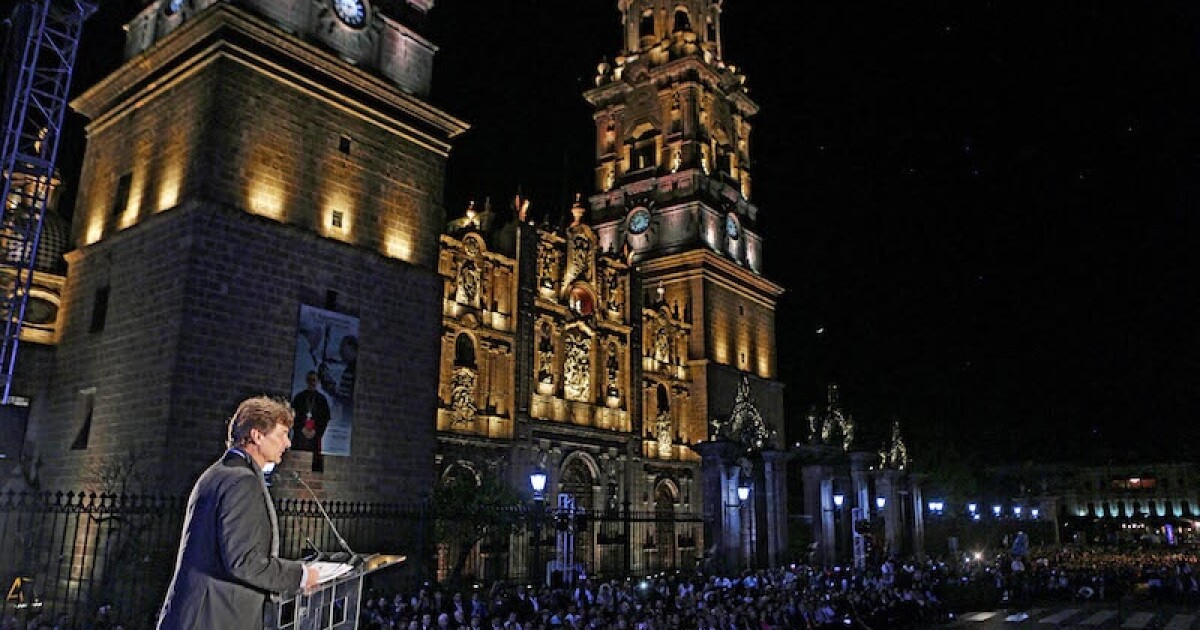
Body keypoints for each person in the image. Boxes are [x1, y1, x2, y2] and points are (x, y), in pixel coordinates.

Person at [157, 396, 319, 630]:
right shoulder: (242, 482)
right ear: (257, 435)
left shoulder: (217, 473)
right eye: (282, 434)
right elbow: (244, 561)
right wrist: (301, 576)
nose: (288, 443)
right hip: (214, 618)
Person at [290, 371, 330, 453]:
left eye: (314, 380)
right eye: (309, 380)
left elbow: (325, 418)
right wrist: (301, 428)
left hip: (314, 437)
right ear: (306, 381)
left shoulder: (322, 400)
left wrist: (316, 430)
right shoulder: (299, 397)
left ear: (317, 381)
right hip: (300, 436)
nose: (311, 382)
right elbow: (292, 415)